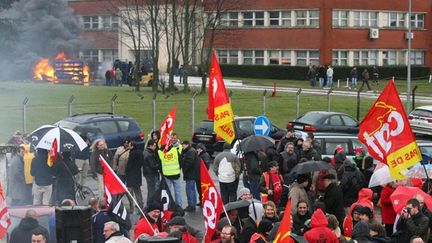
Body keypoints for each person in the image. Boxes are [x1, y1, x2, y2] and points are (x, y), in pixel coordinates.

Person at [158, 133, 183, 207]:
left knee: (169, 192)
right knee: (177, 192)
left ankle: (170, 205)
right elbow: (180, 160)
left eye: (174, 138)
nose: (173, 140)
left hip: (169, 174)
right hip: (174, 174)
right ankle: (178, 206)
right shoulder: (175, 150)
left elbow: (159, 160)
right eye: (171, 139)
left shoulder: (162, 152)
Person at [181, 141, 200, 212]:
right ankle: (192, 204)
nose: (182, 147)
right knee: (192, 189)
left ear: (186, 145)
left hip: (190, 174)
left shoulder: (190, 152)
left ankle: (191, 205)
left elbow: (189, 162)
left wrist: (185, 169)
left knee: (190, 190)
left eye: (183, 145)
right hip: (192, 174)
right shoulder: (190, 151)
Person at [125, 141, 144, 212]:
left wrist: (126, 170)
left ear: (132, 146)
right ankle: (141, 205)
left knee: (130, 191)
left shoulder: (132, 153)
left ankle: (131, 206)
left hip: (131, 175)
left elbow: (129, 165)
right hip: (138, 173)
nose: (128, 147)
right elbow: (142, 162)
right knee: (138, 191)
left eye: (129, 145)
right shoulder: (140, 152)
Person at [142, 140, 161, 205]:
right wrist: (160, 165)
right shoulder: (149, 154)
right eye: (154, 145)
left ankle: (150, 203)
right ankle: (150, 204)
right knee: (151, 190)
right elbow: (153, 166)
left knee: (150, 189)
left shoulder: (145, 152)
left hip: (147, 173)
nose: (155, 147)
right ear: (150, 145)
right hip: (151, 174)